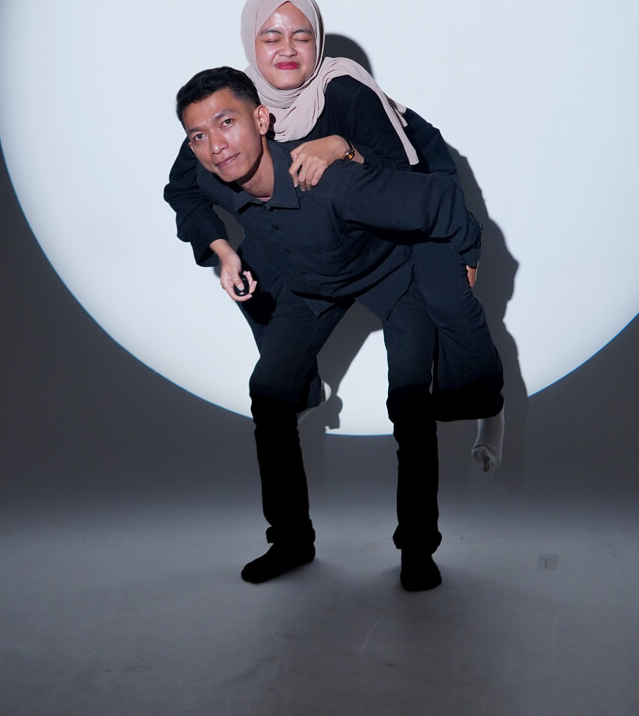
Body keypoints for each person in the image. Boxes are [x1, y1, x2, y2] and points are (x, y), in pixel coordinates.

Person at [171, 66, 499, 590]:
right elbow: (181, 192)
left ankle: (417, 548)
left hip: (390, 277)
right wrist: (223, 250)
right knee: (269, 394)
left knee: (409, 405)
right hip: (312, 284)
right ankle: (290, 541)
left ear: (262, 119)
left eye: (227, 122)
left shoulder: (331, 182)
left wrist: (468, 253)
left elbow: (434, 200)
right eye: (199, 135)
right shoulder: (210, 169)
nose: (216, 145)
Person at [165, 0, 504, 464]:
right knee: (255, 279)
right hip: (329, 208)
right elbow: (184, 187)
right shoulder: (231, 106)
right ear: (250, 44)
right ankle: (300, 390)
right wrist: (221, 250)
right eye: (270, 38)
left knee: (448, 296)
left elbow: (403, 181)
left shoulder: (344, 90)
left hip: (412, 174)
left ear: (317, 41)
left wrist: (343, 146)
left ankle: (486, 406)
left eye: (301, 37)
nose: (287, 50)